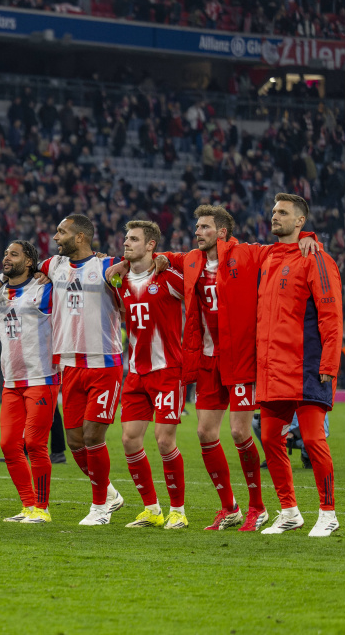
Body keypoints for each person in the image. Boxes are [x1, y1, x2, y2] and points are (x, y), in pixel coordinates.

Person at [133, 205, 319, 532]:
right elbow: (162, 256)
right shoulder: (191, 259)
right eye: (196, 226)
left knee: (239, 432)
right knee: (205, 433)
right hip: (206, 361)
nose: (197, 232)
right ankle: (229, 507)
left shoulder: (246, 254)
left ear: (221, 232)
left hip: (241, 357)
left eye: (204, 227)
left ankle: (258, 508)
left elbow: (282, 246)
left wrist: (307, 236)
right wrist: (157, 257)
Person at [0, 214, 125, 525]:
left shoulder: (107, 265)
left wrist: (142, 264)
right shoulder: (52, 267)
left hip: (100, 363)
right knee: (73, 442)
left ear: (81, 237)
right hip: (68, 365)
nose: (55, 237)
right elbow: (15, 273)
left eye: (62, 232)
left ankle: (99, 507)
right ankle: (106, 492)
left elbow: (133, 268)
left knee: (89, 437)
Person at [255, 194, 342, 537]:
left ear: (300, 221)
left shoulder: (316, 258)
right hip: (273, 368)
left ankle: (328, 512)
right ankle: (289, 511)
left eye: (282, 213)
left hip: (307, 366)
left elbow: (332, 316)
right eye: (273, 211)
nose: (274, 216)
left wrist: (330, 363)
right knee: (269, 437)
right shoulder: (269, 257)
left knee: (312, 439)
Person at [114, 221, 189, 530]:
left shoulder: (169, 277)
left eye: (134, 239)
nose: (126, 243)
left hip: (168, 370)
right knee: (130, 440)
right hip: (136, 372)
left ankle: (178, 511)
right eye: (126, 237)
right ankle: (151, 509)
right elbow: (122, 315)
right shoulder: (119, 280)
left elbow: (196, 304)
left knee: (164, 440)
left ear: (150, 245)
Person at [0, 240, 56, 524]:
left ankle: (42, 508)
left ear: (28, 262)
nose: (6, 257)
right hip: (11, 380)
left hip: (42, 376)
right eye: (5, 253)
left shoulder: (44, 288)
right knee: (9, 445)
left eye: (13, 254)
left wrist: (47, 273)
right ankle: (28, 506)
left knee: (34, 444)